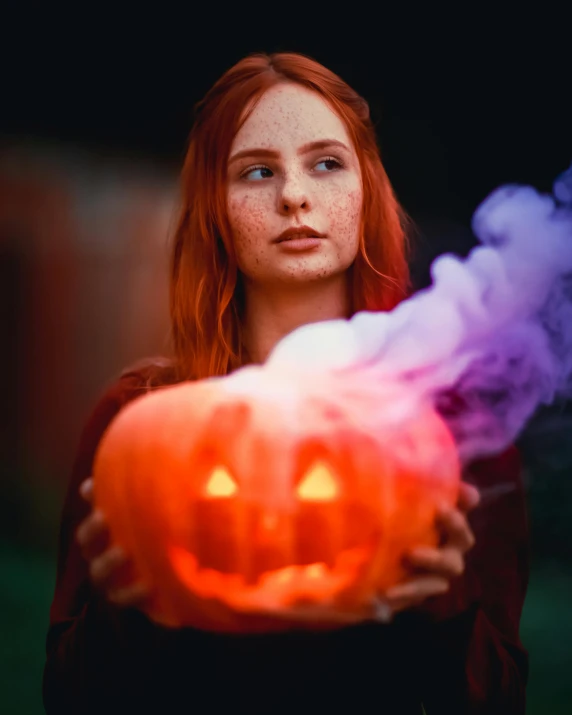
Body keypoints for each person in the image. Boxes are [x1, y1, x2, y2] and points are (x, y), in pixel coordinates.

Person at [42, 52, 529, 714]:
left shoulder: (452, 427)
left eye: (326, 163)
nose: (294, 195)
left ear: (366, 189)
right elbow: (68, 696)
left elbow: (498, 699)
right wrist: (123, 612)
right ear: (216, 205)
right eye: (257, 171)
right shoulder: (140, 414)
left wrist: (441, 611)